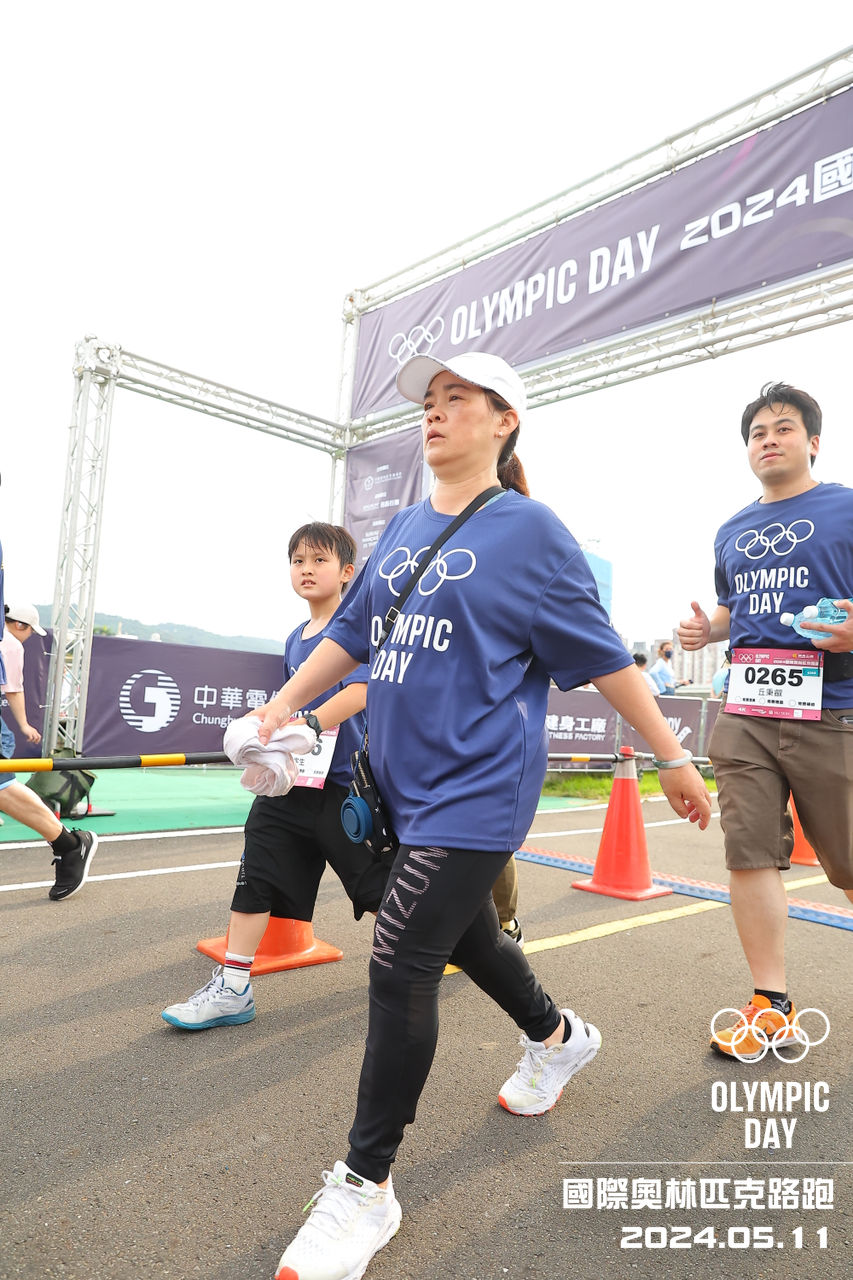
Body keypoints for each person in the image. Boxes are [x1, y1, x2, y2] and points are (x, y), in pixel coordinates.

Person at [252, 351, 711, 1280]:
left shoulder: (532, 532)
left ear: (505, 421)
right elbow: (355, 634)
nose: (434, 412)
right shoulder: (403, 526)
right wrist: (283, 708)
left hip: (478, 789)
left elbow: (605, 658)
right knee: (466, 937)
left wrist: (670, 755)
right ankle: (558, 1038)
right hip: (399, 789)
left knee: (400, 962)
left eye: (456, 398)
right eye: (429, 400)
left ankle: (365, 1186)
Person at [677, 381, 853, 1061]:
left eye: (783, 428)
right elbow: (734, 606)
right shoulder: (731, 529)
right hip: (746, 709)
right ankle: (769, 1004)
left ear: (813, 442)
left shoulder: (845, 507)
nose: (768, 440)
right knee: (749, 853)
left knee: (847, 865)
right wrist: (707, 630)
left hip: (833, 708)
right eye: (757, 432)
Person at [162, 522, 390, 1031]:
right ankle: (233, 987)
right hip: (289, 784)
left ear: (347, 572)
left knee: (377, 891)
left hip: (344, 788)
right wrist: (264, 723)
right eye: (298, 561)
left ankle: (439, 952)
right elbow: (291, 701)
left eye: (319, 560)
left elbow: (361, 692)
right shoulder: (295, 638)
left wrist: (310, 723)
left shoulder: (354, 631)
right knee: (255, 876)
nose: (306, 570)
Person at [0, 600, 98, 900]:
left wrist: (23, 724)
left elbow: (13, 689)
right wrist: (23, 724)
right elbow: (13, 690)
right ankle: (68, 845)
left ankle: (68, 844)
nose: (29, 636)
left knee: (2, 787)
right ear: (20, 624)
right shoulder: (10, 642)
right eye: (30, 630)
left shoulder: (8, 643)